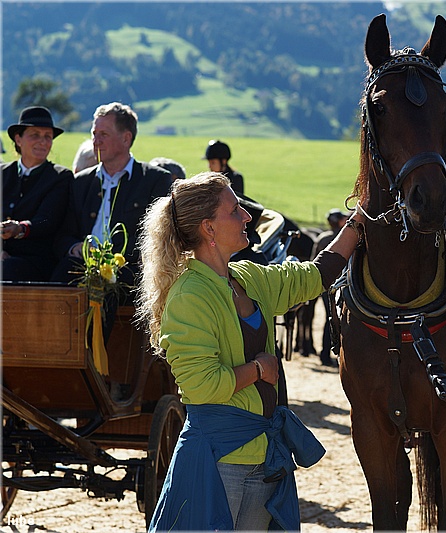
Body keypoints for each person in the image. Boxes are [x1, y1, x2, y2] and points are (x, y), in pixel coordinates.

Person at [135, 172, 362, 531]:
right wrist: (258, 369)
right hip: (217, 463)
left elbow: (317, 275)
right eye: (234, 210)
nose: (246, 217)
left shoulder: (248, 278)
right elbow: (201, 387)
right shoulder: (189, 296)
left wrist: (358, 221)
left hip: (263, 456)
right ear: (208, 228)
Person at [51, 102, 173, 292]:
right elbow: (63, 234)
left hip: (129, 274)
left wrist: (110, 259)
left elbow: (158, 237)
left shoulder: (154, 180)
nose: (96, 141)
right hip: (81, 267)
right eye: (94, 134)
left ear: (126, 138)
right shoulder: (81, 182)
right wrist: (75, 247)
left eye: (104, 134)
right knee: (55, 284)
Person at [2, 106, 73, 281]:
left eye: (47, 136)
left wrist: (20, 229)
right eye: (35, 135)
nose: (42, 142)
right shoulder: (4, 174)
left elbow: (47, 220)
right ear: (18, 139)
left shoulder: (59, 177)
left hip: (36, 261)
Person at [310, 208, 348, 367]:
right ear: (338, 221)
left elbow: (313, 261)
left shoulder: (322, 238)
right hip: (340, 285)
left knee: (328, 319)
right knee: (336, 320)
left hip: (323, 284)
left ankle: (325, 354)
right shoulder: (345, 238)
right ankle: (331, 353)